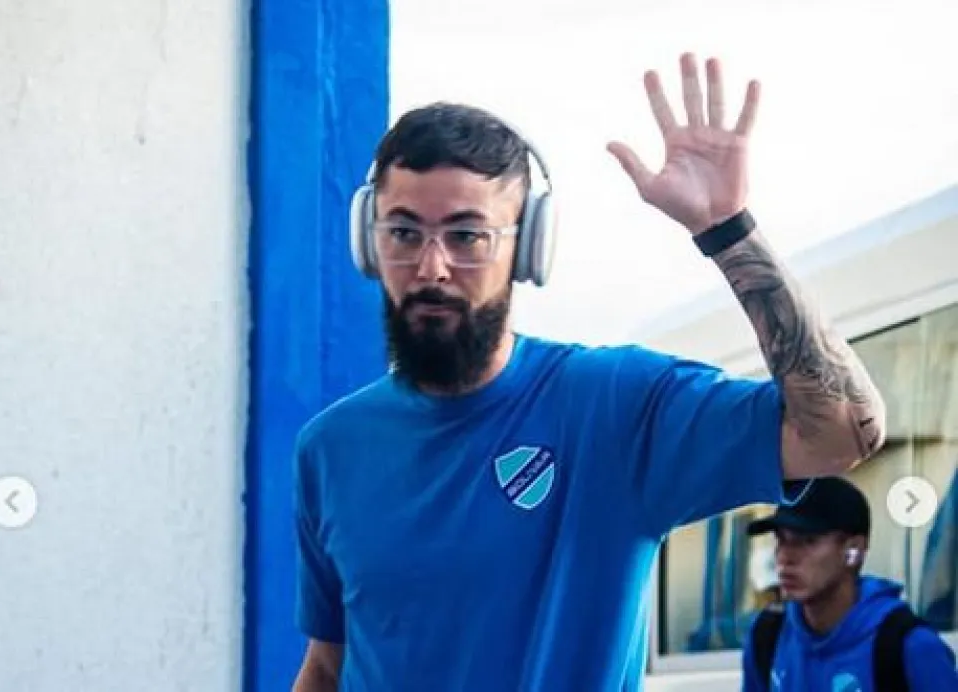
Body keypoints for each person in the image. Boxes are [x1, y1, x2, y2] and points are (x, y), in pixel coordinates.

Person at [291, 52, 888, 692]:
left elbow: (843, 431)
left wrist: (728, 232)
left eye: (467, 237)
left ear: (526, 248)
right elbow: (329, 665)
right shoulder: (331, 448)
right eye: (404, 232)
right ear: (367, 241)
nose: (431, 267)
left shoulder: (612, 407)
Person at [742, 476, 958, 691]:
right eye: (781, 540)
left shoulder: (907, 646)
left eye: (807, 541)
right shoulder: (768, 635)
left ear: (853, 551)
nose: (785, 558)